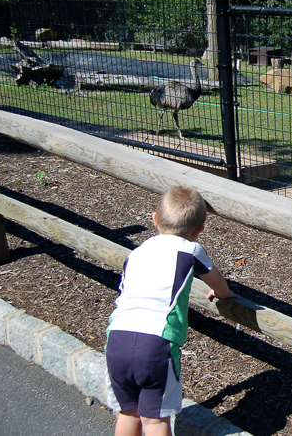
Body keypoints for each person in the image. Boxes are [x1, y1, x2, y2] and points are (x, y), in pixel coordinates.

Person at [104, 185, 238, 436]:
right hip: (155, 344)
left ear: (155, 220)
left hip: (117, 338)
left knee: (128, 412)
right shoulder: (191, 250)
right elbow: (216, 280)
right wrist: (224, 295)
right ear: (200, 230)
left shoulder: (136, 253)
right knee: (154, 420)